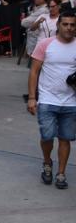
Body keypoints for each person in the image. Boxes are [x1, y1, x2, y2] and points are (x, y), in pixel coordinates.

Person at [28, 11, 76, 189]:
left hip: (71, 102)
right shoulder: (46, 44)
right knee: (47, 136)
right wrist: (32, 98)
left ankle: (61, 173)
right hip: (47, 100)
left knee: (65, 139)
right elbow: (34, 71)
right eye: (66, 24)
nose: (69, 28)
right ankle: (47, 162)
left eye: (72, 25)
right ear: (58, 25)